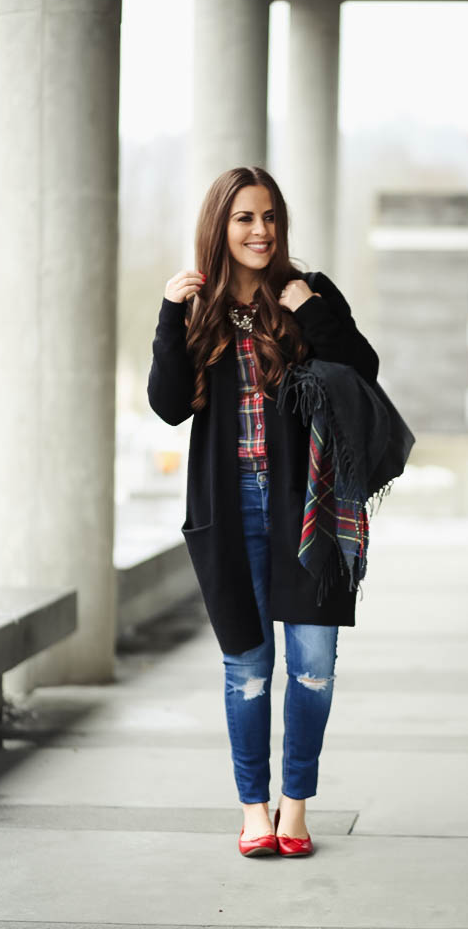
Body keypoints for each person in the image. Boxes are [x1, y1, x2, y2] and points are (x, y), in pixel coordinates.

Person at [147, 166, 379, 858]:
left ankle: (295, 807)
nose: (260, 230)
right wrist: (167, 312)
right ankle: (253, 809)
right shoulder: (199, 308)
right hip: (230, 508)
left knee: (313, 665)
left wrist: (308, 309)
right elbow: (166, 405)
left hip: (309, 507)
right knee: (247, 667)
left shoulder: (308, 295)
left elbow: (363, 366)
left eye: (270, 217)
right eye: (245, 217)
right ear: (221, 225)